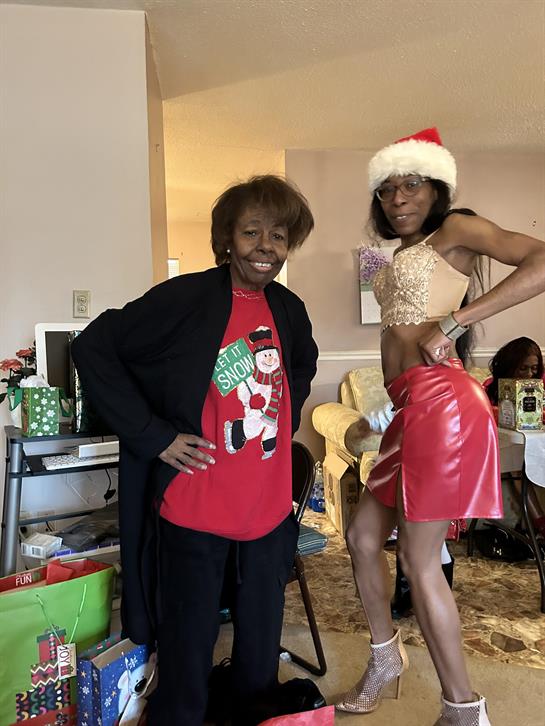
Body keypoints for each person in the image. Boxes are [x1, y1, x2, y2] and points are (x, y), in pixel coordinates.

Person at [71, 175, 318, 725]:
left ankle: (251, 711)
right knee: (187, 642)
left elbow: (302, 364)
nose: (265, 247)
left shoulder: (289, 308)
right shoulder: (185, 298)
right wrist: (154, 435)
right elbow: (95, 346)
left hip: (267, 507)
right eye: (251, 232)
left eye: (278, 236)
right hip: (195, 504)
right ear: (226, 238)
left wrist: (284, 413)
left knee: (260, 645)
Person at [336, 127, 545, 725]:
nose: (397, 198)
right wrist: (380, 410)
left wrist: (456, 322)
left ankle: (464, 709)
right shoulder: (402, 255)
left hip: (443, 402)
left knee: (419, 560)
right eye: (386, 189)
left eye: (411, 184)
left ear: (436, 189)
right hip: (410, 408)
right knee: (363, 538)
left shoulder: (454, 231)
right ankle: (385, 658)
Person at [484, 336, 545, 538]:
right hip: (507, 447)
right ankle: (540, 524)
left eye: (534, 368)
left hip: (537, 443)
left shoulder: (540, 385)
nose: (529, 374)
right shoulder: (492, 388)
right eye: (523, 368)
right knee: (515, 463)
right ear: (510, 367)